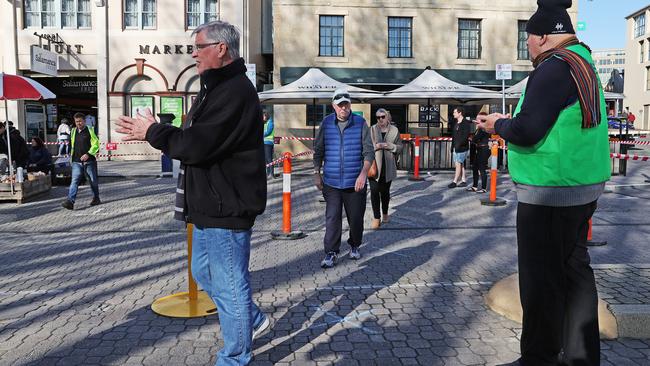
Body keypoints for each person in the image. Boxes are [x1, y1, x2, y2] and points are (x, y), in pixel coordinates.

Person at [115, 20, 270, 365]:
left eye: (198, 47)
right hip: (207, 207)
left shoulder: (235, 91)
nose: (193, 54)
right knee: (203, 274)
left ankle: (235, 357)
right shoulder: (213, 88)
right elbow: (193, 138)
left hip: (226, 209)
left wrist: (153, 131)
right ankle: (253, 319)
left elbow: (196, 146)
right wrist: (160, 129)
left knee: (230, 288)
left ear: (221, 49)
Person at [476, 1, 610, 364]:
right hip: (580, 186)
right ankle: (581, 357)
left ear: (544, 36)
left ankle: (539, 357)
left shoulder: (553, 68)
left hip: (551, 191)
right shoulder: (582, 61)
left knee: (540, 282)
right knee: (574, 274)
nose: (529, 47)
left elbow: (528, 130)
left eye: (530, 39)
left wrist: (498, 125)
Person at [313, 87, 374, 268]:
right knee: (332, 218)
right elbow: (318, 151)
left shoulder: (361, 123)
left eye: (346, 105)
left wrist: (363, 174)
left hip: (355, 182)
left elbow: (369, 152)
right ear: (333, 106)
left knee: (355, 218)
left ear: (350, 105)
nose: (343, 109)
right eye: (340, 106)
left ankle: (354, 245)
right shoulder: (326, 123)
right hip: (331, 182)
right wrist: (317, 173)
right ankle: (331, 252)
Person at [369, 108, 403, 229]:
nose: (380, 119)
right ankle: (376, 217)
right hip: (374, 166)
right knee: (374, 191)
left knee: (385, 192)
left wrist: (390, 146)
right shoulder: (372, 129)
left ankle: (385, 213)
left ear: (387, 117)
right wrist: (375, 146)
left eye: (383, 116)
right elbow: (365, 146)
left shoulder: (395, 130)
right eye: (378, 117)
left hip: (388, 166)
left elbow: (400, 147)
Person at [61, 112, 100, 210]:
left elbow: (96, 144)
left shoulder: (90, 130)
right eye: (76, 121)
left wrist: (88, 154)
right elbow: (71, 145)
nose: (78, 123)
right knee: (74, 181)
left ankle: (96, 198)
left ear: (84, 121)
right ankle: (70, 201)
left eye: (80, 121)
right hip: (76, 161)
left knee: (93, 181)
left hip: (89, 161)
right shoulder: (73, 131)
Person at [467, 111, 490, 193]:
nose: (476, 119)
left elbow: (476, 138)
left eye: (478, 118)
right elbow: (475, 138)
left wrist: (472, 139)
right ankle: (475, 186)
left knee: (482, 169)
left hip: (483, 150)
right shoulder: (479, 128)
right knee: (475, 168)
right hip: (479, 149)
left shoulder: (484, 128)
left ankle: (484, 188)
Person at [448, 107, 470, 188]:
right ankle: (463, 180)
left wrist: (458, 145)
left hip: (462, 147)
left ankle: (455, 181)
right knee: (461, 164)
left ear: (460, 113)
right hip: (455, 147)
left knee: (458, 164)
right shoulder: (456, 122)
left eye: (455, 112)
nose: (453, 114)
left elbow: (465, 136)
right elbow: (454, 136)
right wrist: (453, 146)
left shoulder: (465, 123)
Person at [262, 111, 275, 178]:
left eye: (263, 116)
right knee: (266, 159)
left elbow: (268, 132)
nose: (262, 117)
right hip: (264, 142)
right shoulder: (265, 123)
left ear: (266, 116)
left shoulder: (270, 123)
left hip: (268, 143)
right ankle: (268, 173)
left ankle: (272, 174)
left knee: (269, 159)